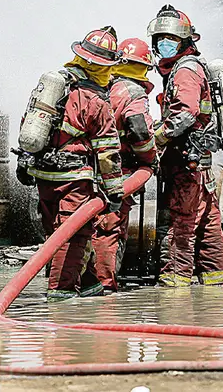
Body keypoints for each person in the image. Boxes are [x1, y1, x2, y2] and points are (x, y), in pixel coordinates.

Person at [24, 27, 126, 301]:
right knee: (71, 235)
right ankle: (61, 297)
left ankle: (91, 286)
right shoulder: (95, 101)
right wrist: (115, 192)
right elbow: (108, 152)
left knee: (56, 233)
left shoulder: (53, 88)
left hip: (44, 174)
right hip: (74, 179)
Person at [148, 5, 223, 288]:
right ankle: (216, 290)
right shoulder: (191, 66)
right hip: (199, 163)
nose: (164, 44)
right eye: (160, 39)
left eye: (170, 39)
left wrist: (157, 138)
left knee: (180, 224)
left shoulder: (185, 71)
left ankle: (174, 289)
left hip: (186, 162)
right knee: (208, 222)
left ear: (185, 41)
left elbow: (185, 114)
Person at [81, 37, 160, 293]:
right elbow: (140, 131)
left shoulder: (100, 86)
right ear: (144, 67)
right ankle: (104, 289)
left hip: (84, 170)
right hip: (117, 173)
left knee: (82, 229)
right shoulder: (134, 93)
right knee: (108, 229)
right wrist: (150, 160)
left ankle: (77, 285)